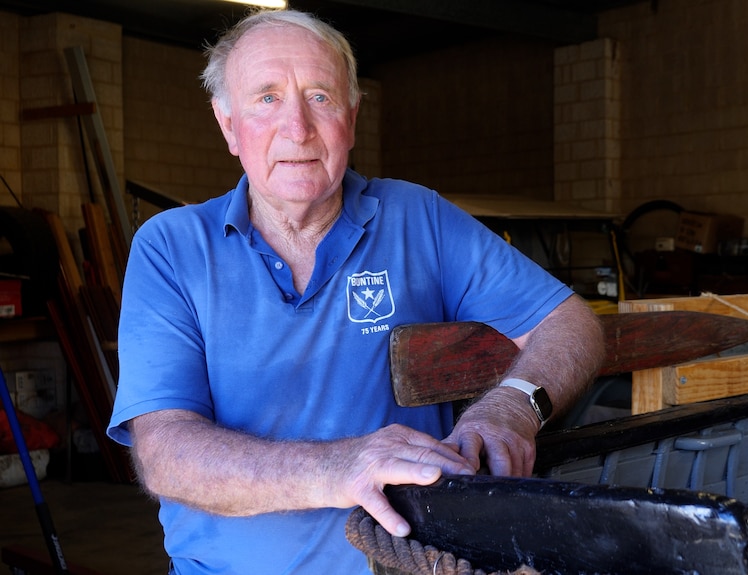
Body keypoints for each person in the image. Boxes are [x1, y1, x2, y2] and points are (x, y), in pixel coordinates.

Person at [107, 8, 604, 575]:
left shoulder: (418, 218)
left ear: (352, 115)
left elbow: (570, 322)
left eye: (319, 96)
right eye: (266, 98)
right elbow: (165, 453)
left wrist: (515, 406)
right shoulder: (171, 247)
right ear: (227, 126)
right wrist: (340, 467)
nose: (297, 128)